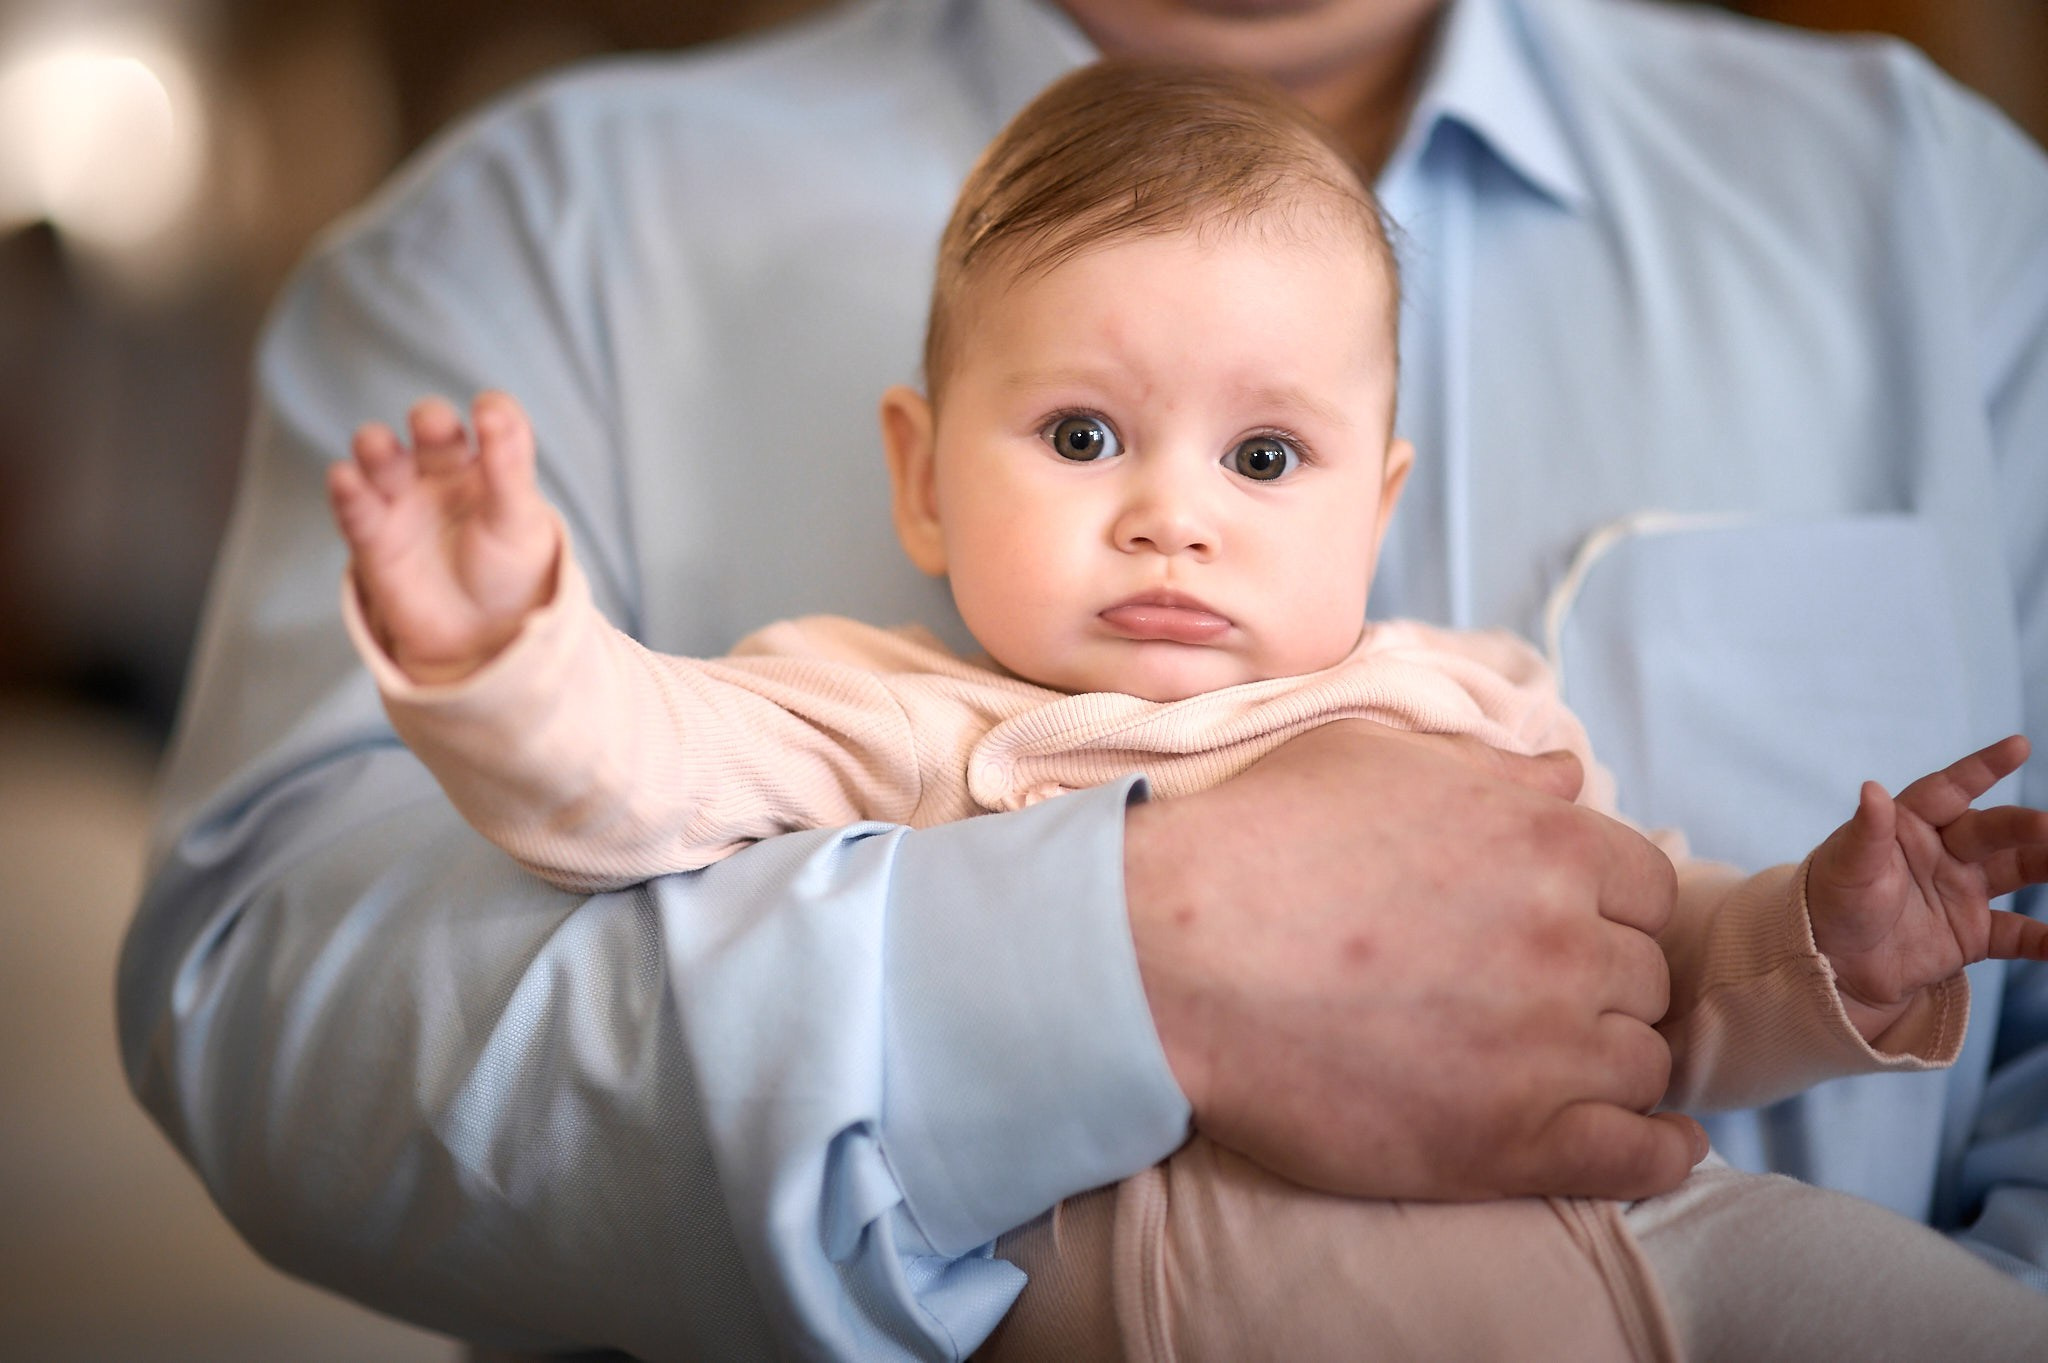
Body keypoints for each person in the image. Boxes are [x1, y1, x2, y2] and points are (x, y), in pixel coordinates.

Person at [117, 0, 2048, 1358]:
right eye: (1081, 437)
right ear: (918, 479)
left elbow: (1665, 990)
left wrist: (1824, 943)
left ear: (1377, 507)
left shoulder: (1474, 704)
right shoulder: (889, 707)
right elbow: (628, 767)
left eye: (1265, 460)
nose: (1171, 520)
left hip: (1655, 1286)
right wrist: (505, 641)